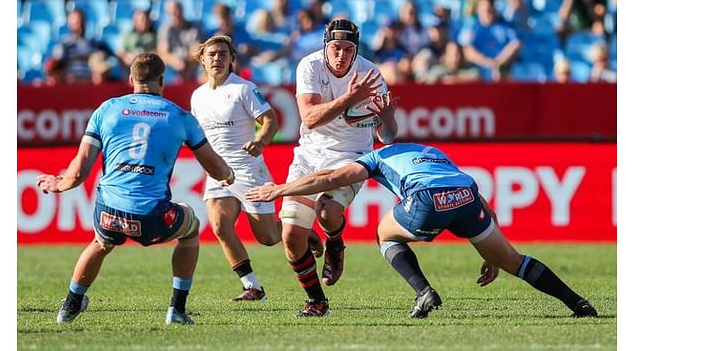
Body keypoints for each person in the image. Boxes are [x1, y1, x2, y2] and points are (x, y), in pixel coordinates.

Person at [247, 142, 599, 319]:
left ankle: (424, 292)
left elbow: (328, 178)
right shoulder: (432, 151)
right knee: (512, 259)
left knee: (384, 234)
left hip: (428, 199)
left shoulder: (375, 156)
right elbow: (473, 190)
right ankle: (578, 303)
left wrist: (280, 189)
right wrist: (488, 250)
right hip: (467, 196)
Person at [36, 52, 235, 325]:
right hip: (153, 215)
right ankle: (176, 310)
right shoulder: (179, 116)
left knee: (101, 242)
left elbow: (80, 169)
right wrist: (229, 174)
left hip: (110, 211)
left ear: (131, 79)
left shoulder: (107, 109)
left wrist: (60, 184)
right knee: (190, 227)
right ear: (162, 80)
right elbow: (215, 168)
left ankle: (69, 306)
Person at [280, 18, 399, 317]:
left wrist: (388, 118)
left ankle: (334, 241)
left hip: (351, 154)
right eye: (335, 47)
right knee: (291, 236)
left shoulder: (370, 73)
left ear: (356, 49)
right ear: (325, 46)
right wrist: (349, 98)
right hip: (309, 154)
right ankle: (317, 301)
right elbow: (308, 118)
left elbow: (386, 137)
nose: (341, 55)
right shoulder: (309, 66)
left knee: (327, 212)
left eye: (348, 49)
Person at [189, 35, 322, 301]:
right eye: (212, 54)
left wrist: (260, 141)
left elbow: (270, 119)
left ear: (232, 60)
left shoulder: (244, 89)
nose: (217, 58)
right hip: (218, 172)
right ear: (202, 60)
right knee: (219, 226)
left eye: (223, 54)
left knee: (269, 238)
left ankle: (306, 235)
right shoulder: (198, 96)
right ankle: (252, 286)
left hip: (248, 170)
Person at [458, 0, 522, 82]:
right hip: (479, 68)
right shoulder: (473, 27)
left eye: (489, 10)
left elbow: (516, 44)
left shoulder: (505, 25)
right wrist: (489, 63)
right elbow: (467, 51)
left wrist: (499, 63)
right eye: (482, 11)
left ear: (494, 10)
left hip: (504, 66)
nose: (486, 14)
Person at [45, 9, 113, 86]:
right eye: (74, 20)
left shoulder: (96, 43)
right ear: (69, 23)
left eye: (79, 19)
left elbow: (111, 59)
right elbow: (54, 63)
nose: (78, 23)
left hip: (92, 80)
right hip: (71, 79)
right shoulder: (64, 44)